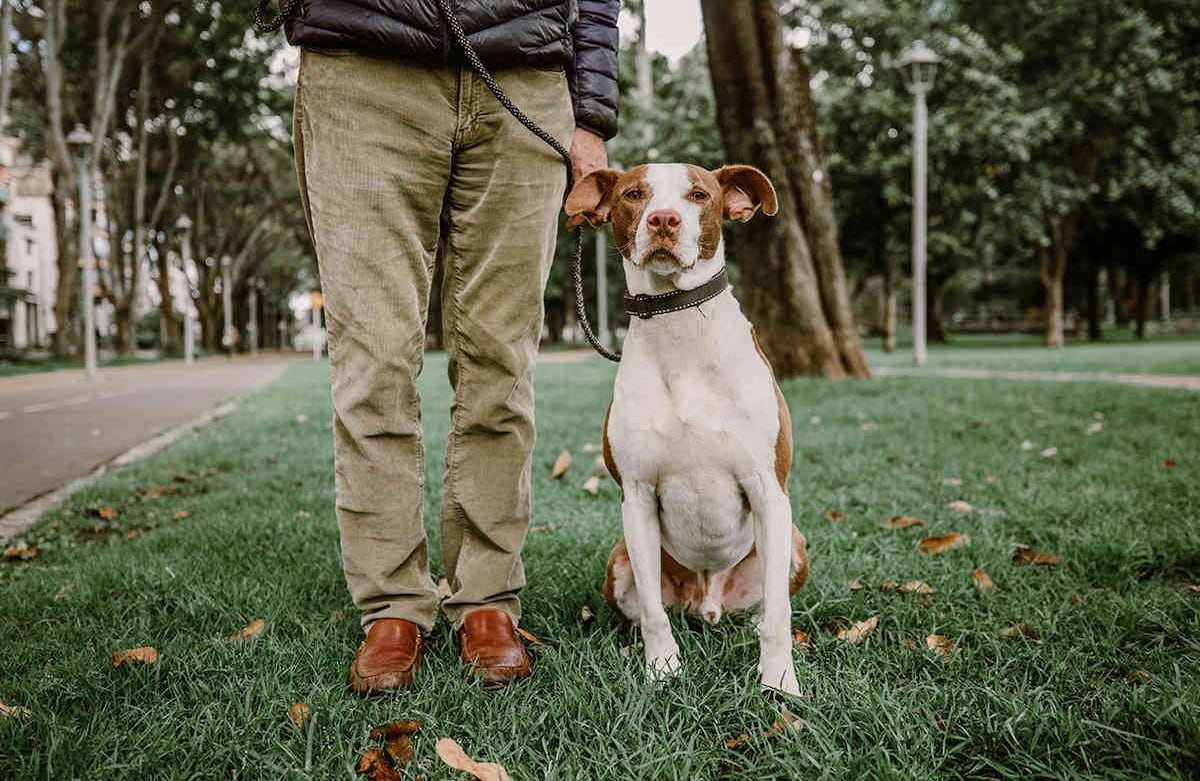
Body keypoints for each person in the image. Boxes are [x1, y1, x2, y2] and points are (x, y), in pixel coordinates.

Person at [283, 0, 619, 694]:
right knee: (372, 359)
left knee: (502, 360)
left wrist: (590, 112)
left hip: (524, 72)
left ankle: (488, 597)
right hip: (360, 70)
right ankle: (392, 606)